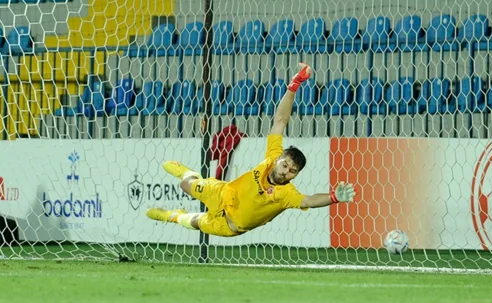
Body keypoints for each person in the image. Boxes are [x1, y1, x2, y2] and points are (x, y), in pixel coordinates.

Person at [146, 63, 356, 237]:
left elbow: (309, 200)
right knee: (185, 184)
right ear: (278, 160)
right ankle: (187, 173)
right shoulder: (272, 156)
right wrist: (294, 86)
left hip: (229, 226)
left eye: (292, 171)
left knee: (195, 222)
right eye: (285, 165)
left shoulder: (285, 194)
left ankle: (172, 216)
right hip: (222, 194)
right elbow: (280, 120)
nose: (286, 171)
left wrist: (333, 197)